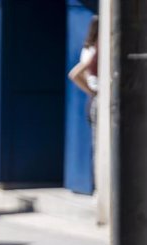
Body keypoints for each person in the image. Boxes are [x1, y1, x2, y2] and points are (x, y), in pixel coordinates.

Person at [68, 15, 99, 189]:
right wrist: (92, 91)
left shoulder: (87, 49)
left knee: (96, 146)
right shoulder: (93, 52)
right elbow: (74, 74)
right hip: (96, 99)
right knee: (99, 147)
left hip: (92, 99)